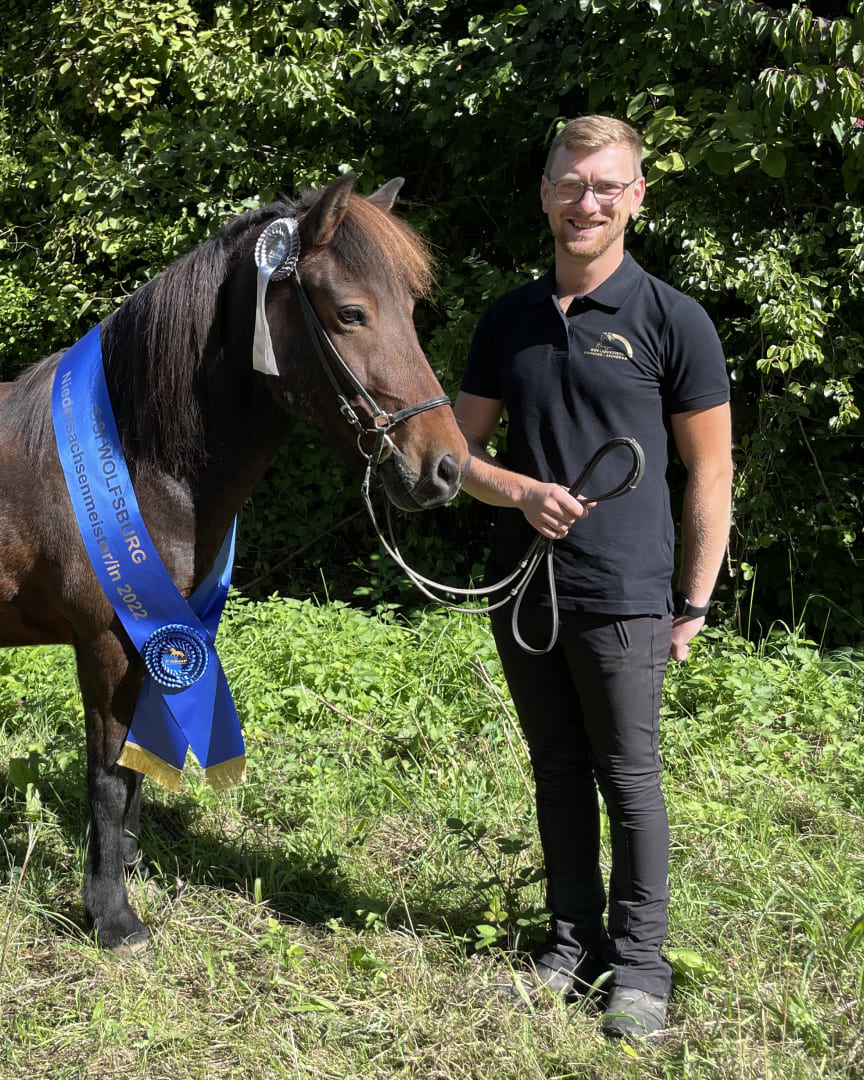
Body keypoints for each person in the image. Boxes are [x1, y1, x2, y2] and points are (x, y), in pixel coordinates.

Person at [453, 115, 733, 1040]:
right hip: (522, 592)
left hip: (625, 596)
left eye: (608, 185)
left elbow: (712, 474)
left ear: (637, 197)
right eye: (572, 183)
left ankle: (642, 969)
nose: (588, 201)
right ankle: (570, 946)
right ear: (544, 192)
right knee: (557, 770)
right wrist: (519, 493)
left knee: (630, 775)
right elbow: (457, 456)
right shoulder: (509, 319)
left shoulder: (673, 320)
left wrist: (692, 599)